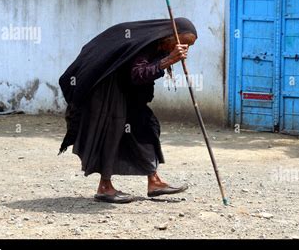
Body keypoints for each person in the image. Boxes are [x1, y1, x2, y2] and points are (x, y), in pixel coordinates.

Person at [59, 18, 198, 203]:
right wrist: (168, 60)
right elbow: (137, 74)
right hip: (107, 91)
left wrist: (168, 59)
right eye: (183, 42)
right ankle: (104, 187)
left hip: (128, 93)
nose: (185, 47)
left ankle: (154, 181)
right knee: (111, 133)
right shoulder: (142, 44)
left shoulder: (161, 47)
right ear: (170, 35)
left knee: (146, 126)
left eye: (189, 45)